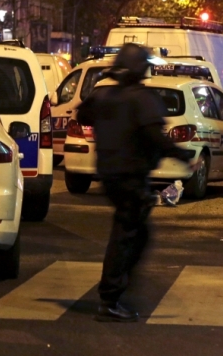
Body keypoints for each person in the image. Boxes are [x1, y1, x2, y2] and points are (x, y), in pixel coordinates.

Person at [76, 43, 195, 323]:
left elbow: (83, 115)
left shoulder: (103, 95)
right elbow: (156, 136)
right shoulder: (142, 99)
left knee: (134, 234)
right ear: (141, 68)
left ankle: (116, 292)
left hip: (109, 174)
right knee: (127, 236)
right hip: (131, 177)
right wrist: (182, 156)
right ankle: (111, 299)